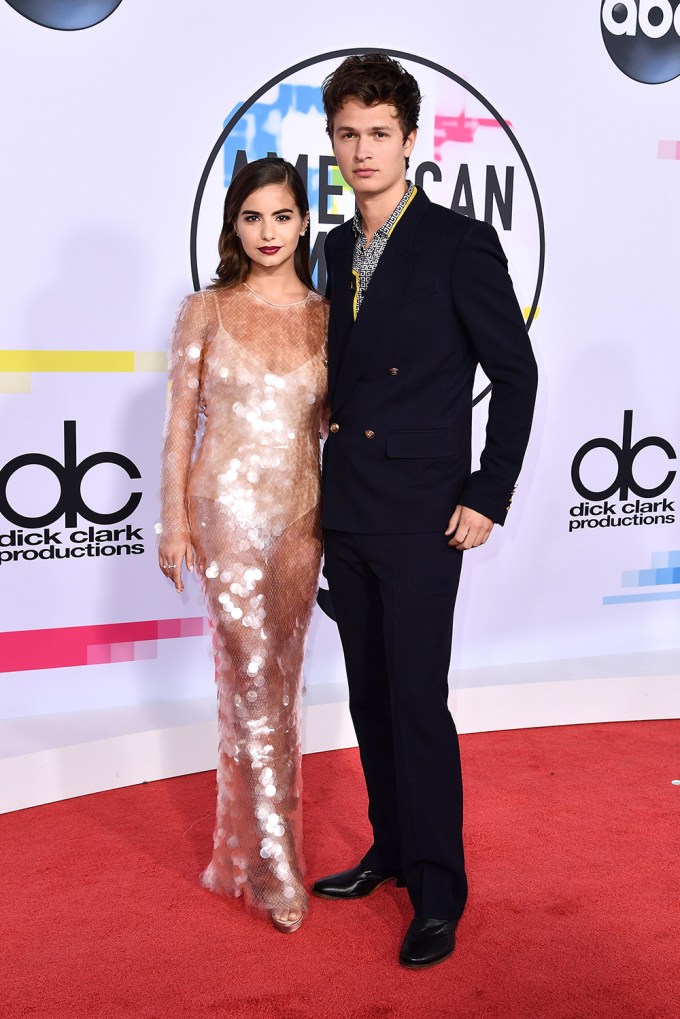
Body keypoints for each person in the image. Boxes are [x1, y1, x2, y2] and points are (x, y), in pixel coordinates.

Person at [312, 55, 539, 968]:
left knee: (416, 697)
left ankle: (439, 887)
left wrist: (489, 491)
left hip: (423, 510)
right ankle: (393, 848)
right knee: (369, 694)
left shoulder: (458, 241)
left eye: (378, 133)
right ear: (332, 143)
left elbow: (515, 373)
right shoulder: (328, 248)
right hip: (346, 508)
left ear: (411, 141)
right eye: (346, 134)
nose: (362, 149)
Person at [157, 157, 328, 934]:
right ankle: (275, 866)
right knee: (250, 675)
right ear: (234, 223)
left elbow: (335, 425)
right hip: (221, 510)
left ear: (303, 222)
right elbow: (179, 422)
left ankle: (261, 844)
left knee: (281, 688)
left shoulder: (329, 317)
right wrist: (173, 520)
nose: (267, 232)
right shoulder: (205, 309)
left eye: (282, 216)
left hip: (303, 518)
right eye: (252, 217)